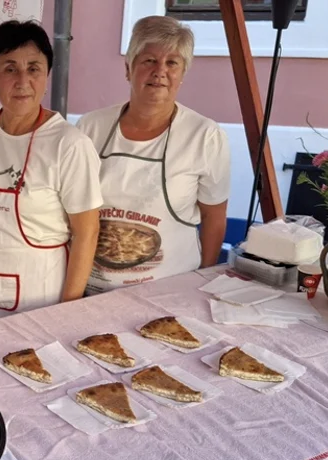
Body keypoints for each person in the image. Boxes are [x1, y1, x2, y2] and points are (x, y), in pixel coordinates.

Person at [77, 15, 230, 292]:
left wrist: (202, 281)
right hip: (93, 289)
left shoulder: (204, 136)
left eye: (172, 62)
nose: (160, 71)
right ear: (128, 68)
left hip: (169, 290)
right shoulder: (91, 127)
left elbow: (214, 217)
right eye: (149, 60)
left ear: (182, 74)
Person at [0, 20, 101, 319]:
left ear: (46, 76)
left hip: (41, 297)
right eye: (9, 68)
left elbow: (86, 233)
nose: (22, 80)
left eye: (33, 68)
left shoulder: (68, 144)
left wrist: (67, 310)